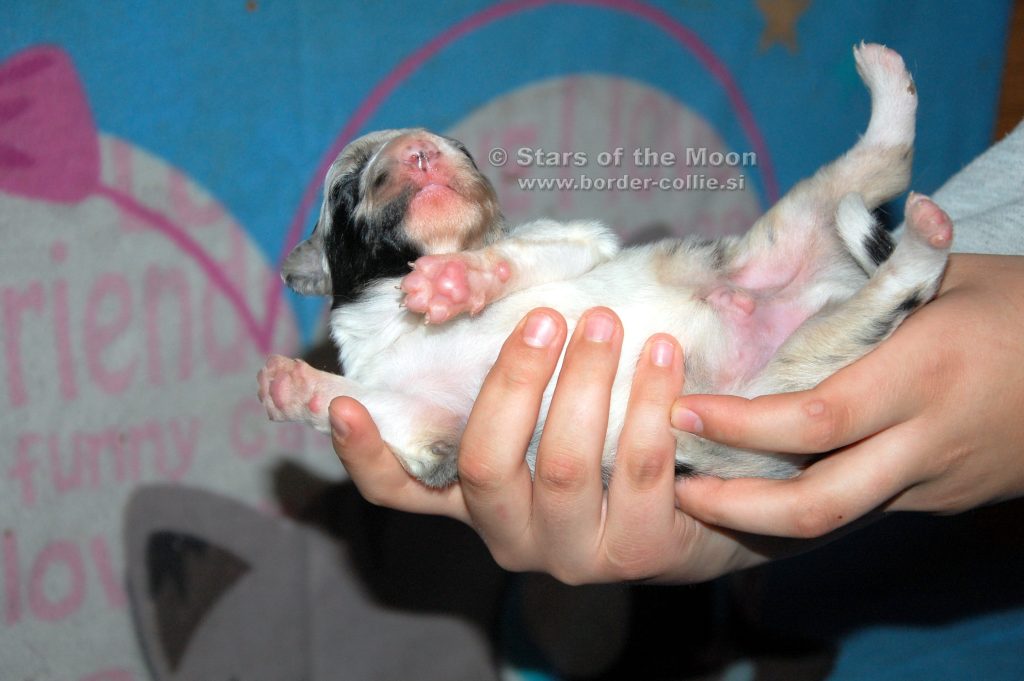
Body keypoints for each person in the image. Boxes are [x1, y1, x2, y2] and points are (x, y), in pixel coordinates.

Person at [327, 121, 1024, 586]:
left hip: (741, 336)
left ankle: (895, 261)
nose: (421, 156)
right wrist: (743, 525)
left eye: (449, 151)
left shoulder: (523, 256)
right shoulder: (384, 336)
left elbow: (586, 249)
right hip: (734, 392)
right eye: (369, 177)